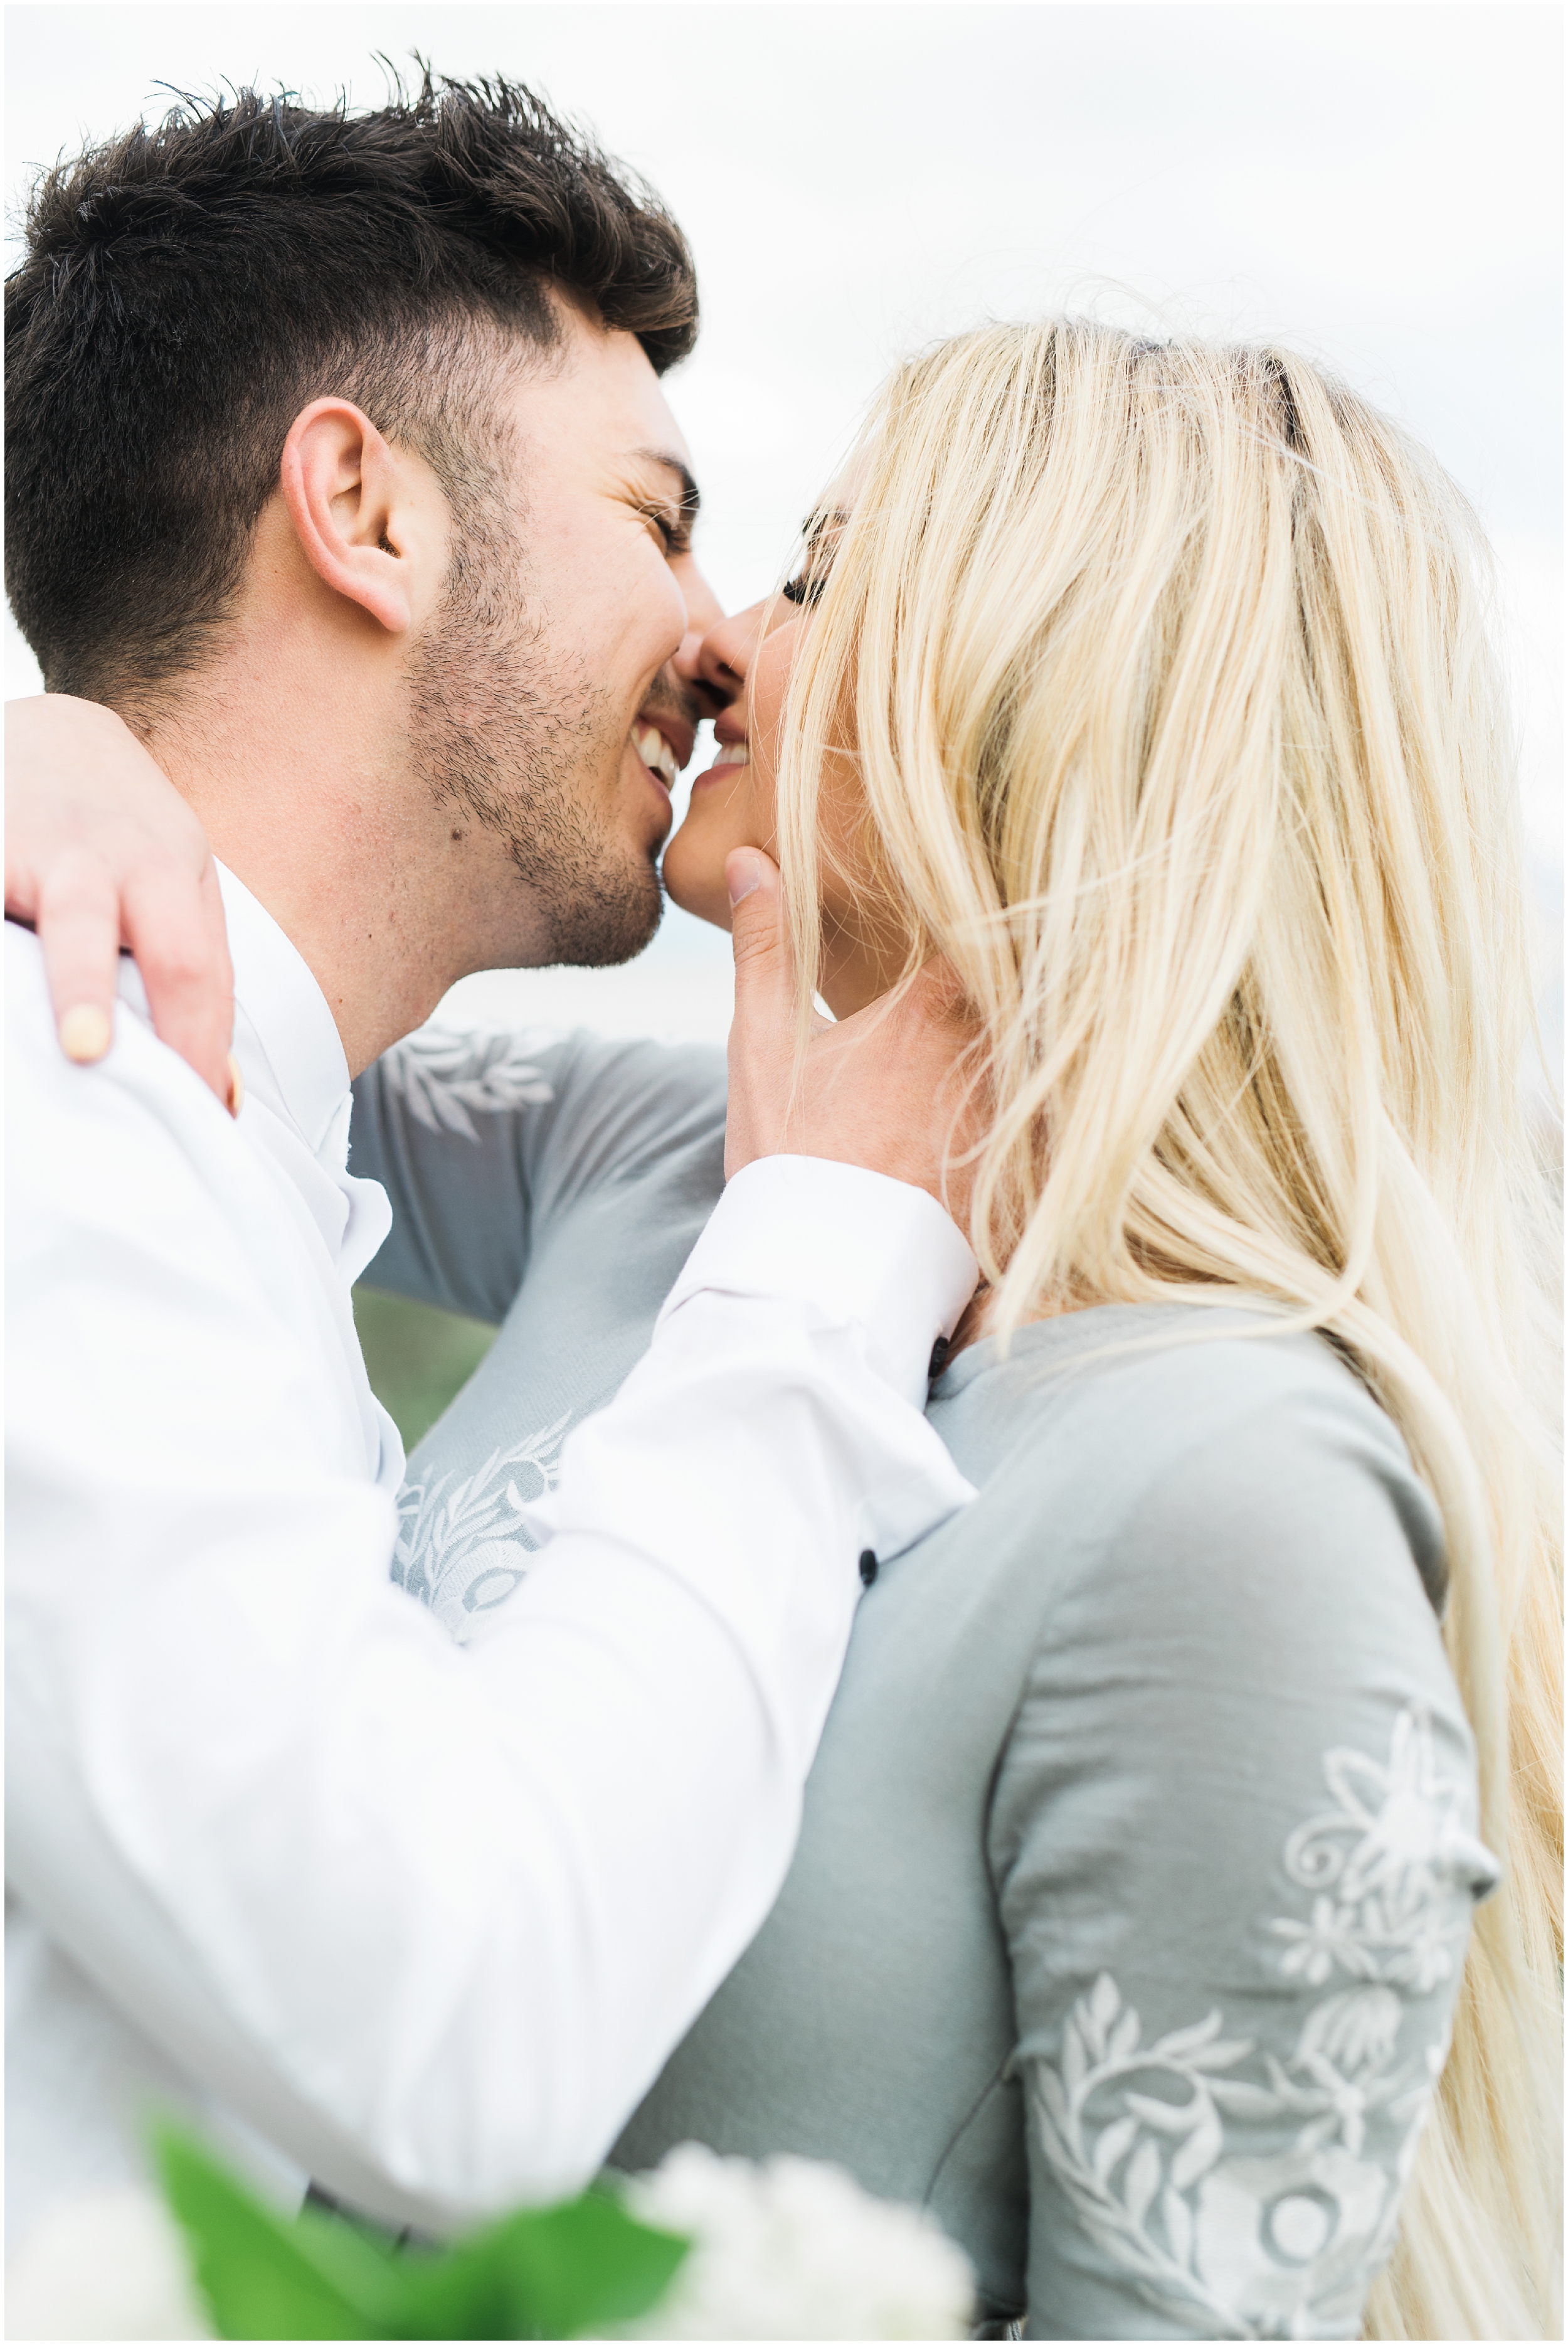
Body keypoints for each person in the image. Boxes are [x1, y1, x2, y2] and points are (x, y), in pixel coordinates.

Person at [29, 319, 1562, 2339]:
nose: (725, 637)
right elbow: (249, 971)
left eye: (821, 575)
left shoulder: (1229, 1493)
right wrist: (67, 747)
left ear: (1045, 685)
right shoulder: (660, 1162)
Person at [3, 77, 986, 2259]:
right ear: (362, 505)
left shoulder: (202, 1108)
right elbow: (461, 2037)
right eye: (656, 516)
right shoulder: (58, 1112)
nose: (718, 634)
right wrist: (815, 1274)